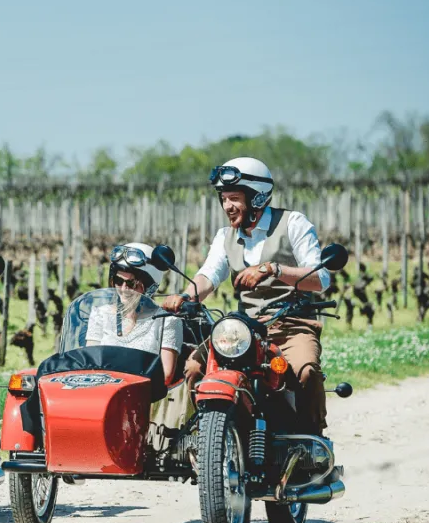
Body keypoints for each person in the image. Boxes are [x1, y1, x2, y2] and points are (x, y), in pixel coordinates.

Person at [162, 157, 331, 434]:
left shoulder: (293, 223)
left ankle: (312, 440)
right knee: (193, 368)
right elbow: (208, 275)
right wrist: (185, 296)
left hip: (291, 324)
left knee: (306, 371)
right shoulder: (224, 236)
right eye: (224, 199)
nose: (227, 206)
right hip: (245, 328)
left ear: (257, 197)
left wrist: (273, 269)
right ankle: (201, 438)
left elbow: (320, 279)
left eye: (235, 198)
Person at [86, 242, 182, 385]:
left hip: (143, 397)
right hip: (103, 392)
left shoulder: (167, 321)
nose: (123, 289)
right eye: (118, 281)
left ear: (149, 285)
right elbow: (89, 363)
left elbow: (166, 375)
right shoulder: (100, 314)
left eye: (131, 283)